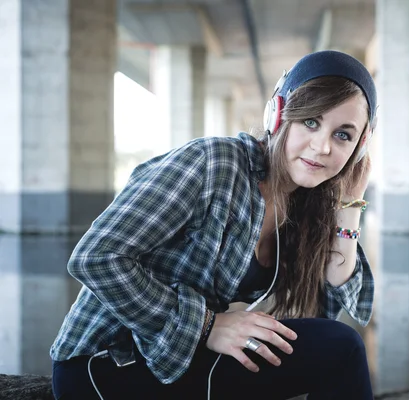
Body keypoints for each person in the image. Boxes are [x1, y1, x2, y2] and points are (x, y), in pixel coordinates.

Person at [50, 50, 377, 400]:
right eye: (310, 122)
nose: (322, 146)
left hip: (185, 359)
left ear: (359, 147)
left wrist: (350, 203)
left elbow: (331, 306)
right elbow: (95, 257)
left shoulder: (306, 202)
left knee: (338, 348)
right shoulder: (214, 164)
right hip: (111, 361)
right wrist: (207, 326)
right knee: (342, 348)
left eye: (343, 135)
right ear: (278, 114)